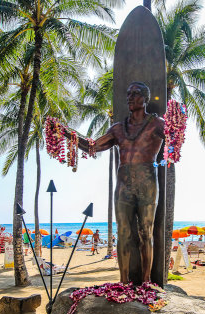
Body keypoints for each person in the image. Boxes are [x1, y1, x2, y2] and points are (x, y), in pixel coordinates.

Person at [68, 82, 164, 283]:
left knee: (146, 232)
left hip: (147, 181)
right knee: (123, 232)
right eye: (128, 94)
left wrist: (178, 125)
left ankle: (147, 282)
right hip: (123, 185)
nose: (129, 97)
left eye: (135, 93)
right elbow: (92, 146)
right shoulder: (118, 128)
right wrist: (68, 134)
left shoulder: (157, 124)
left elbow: (174, 139)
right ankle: (123, 282)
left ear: (145, 99)